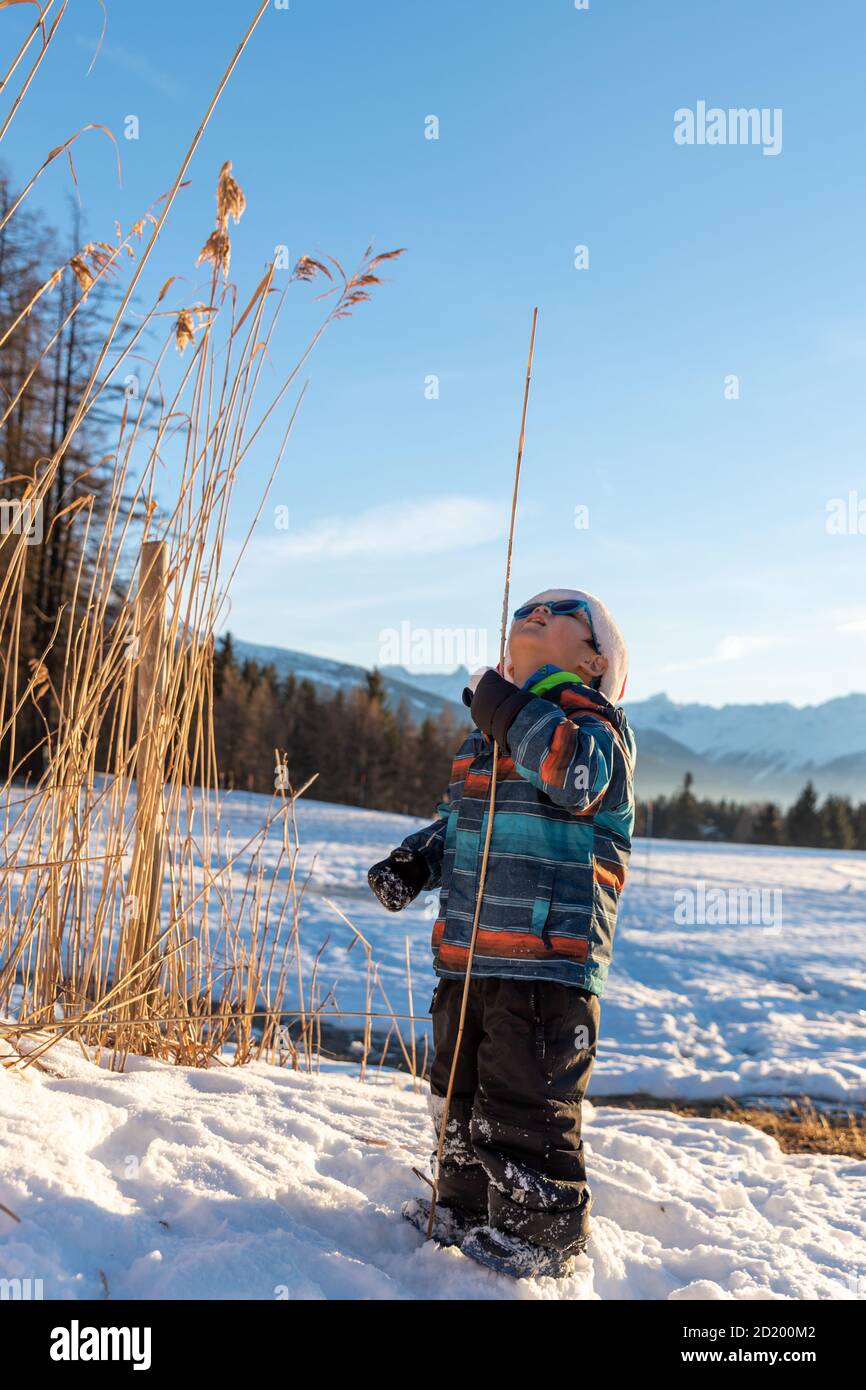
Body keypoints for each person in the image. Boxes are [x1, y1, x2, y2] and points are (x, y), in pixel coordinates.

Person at [368, 588, 636, 1278]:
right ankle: (465, 1204)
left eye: (565, 611)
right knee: (457, 1091)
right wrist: (417, 859)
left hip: (547, 966)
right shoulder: (485, 737)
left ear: (595, 661)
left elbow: (574, 777)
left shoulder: (596, 725)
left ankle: (539, 1229)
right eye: (530, 607)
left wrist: (508, 708)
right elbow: (459, 825)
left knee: (525, 1096)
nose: (538, 611)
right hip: (467, 959)